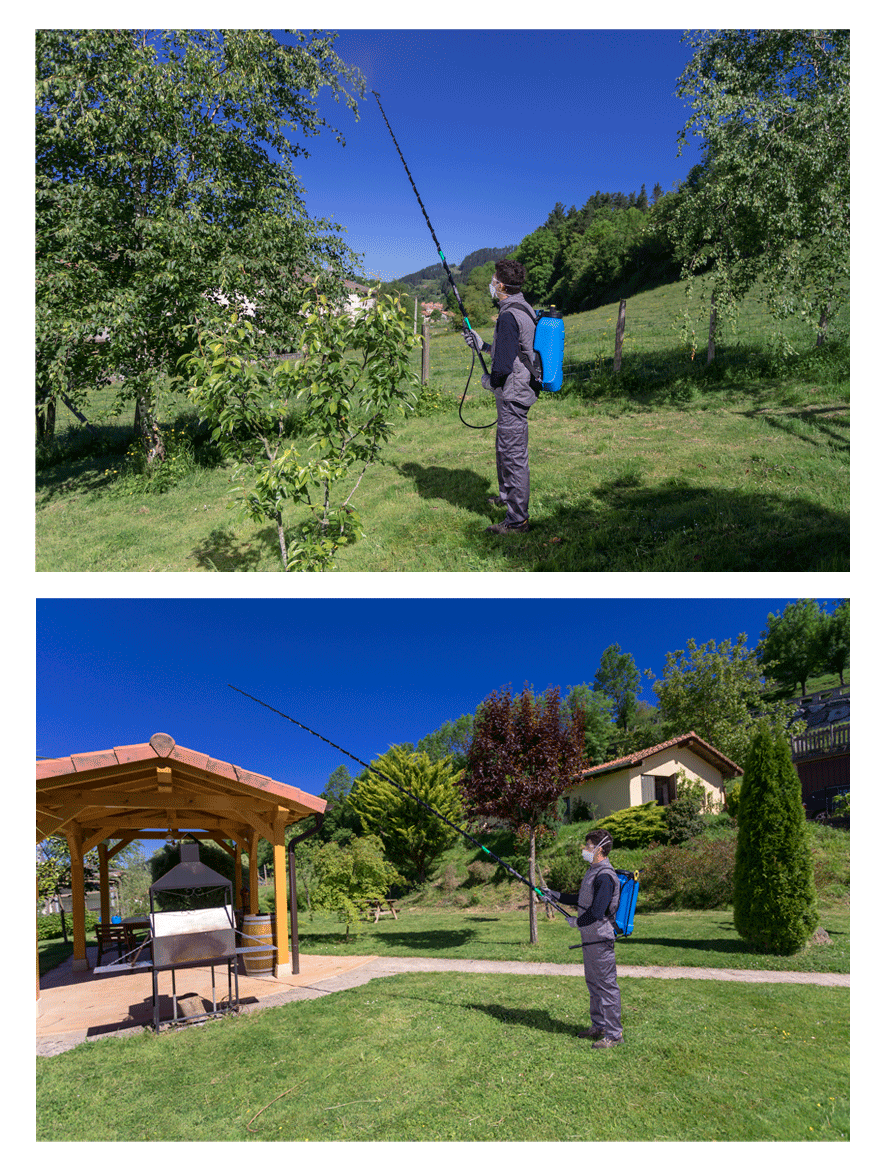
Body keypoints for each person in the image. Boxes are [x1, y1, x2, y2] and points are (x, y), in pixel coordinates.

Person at [463, 259, 539, 534]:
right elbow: (512, 349)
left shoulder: (508, 316)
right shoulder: (522, 308)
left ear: (502, 286)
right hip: (517, 389)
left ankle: (517, 520)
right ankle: (507, 499)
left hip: (512, 392)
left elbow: (505, 365)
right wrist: (482, 345)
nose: (491, 283)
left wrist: (489, 382)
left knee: (513, 454)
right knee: (505, 449)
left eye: (494, 279)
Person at [541, 829, 623, 1047]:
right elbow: (582, 899)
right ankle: (599, 1026)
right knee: (593, 984)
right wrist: (555, 895)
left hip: (600, 938)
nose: (584, 849)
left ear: (600, 850)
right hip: (589, 937)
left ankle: (614, 1034)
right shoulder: (593, 871)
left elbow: (596, 911)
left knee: (606, 986)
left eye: (588, 846)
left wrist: (577, 922)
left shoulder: (605, 876)